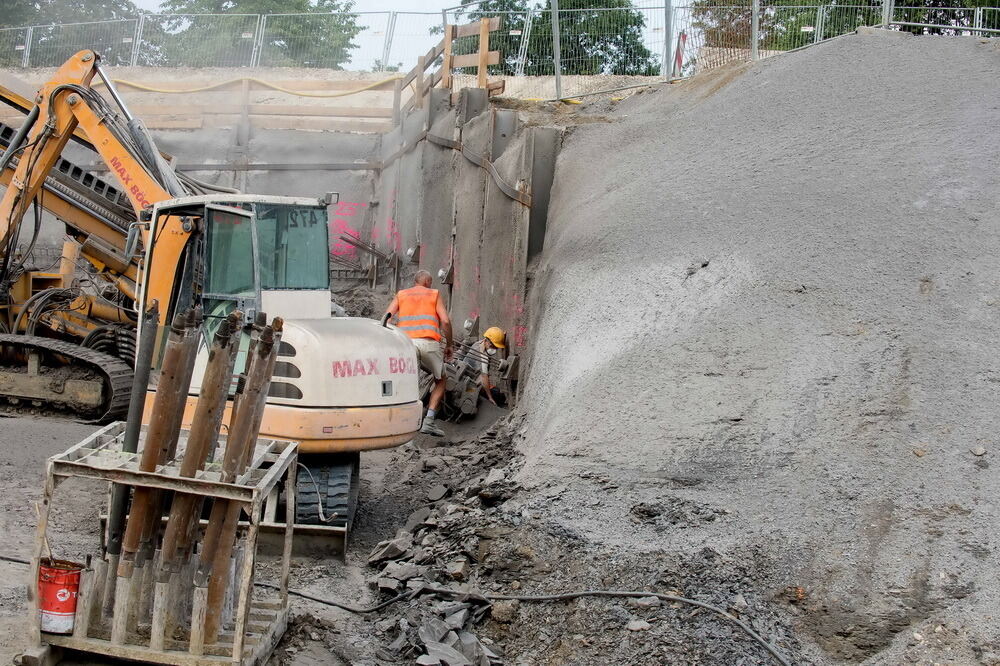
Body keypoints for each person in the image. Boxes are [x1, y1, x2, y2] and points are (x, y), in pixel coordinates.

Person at [385, 270, 453, 436]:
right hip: (429, 344)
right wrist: (449, 344)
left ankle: (400, 424)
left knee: (407, 383)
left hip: (406, 344)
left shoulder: (401, 294)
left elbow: (386, 318)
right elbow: (445, 320)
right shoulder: (434, 294)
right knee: (441, 379)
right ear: (428, 282)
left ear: (415, 282)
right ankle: (428, 422)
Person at [471, 326, 507, 407]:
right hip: (471, 387)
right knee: (498, 395)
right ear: (487, 341)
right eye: (492, 346)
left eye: (496, 347)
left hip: (472, 378)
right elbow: (484, 377)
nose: (494, 349)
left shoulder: (479, 344)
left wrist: (501, 337)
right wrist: (490, 397)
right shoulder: (482, 356)